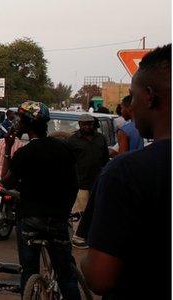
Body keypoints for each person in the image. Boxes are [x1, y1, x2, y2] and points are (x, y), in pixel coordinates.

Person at [82, 44, 170, 299]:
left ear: (150, 97)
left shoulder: (125, 173)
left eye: (132, 96)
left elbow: (100, 277)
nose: (129, 108)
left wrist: (83, 264)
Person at [4, 101, 82, 299]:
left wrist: (7, 148)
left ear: (28, 124)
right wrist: (64, 212)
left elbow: (7, 182)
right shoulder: (64, 149)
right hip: (57, 219)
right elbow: (74, 185)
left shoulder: (24, 153)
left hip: (30, 219)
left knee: (29, 270)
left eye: (20, 119)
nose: (17, 122)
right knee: (66, 275)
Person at [66, 113, 109, 249]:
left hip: (97, 181)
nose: (86, 126)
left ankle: (91, 235)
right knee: (80, 210)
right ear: (79, 125)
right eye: (83, 124)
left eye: (89, 124)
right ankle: (78, 237)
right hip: (80, 181)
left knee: (96, 210)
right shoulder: (72, 141)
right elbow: (68, 162)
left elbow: (105, 160)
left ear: (93, 125)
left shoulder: (100, 139)